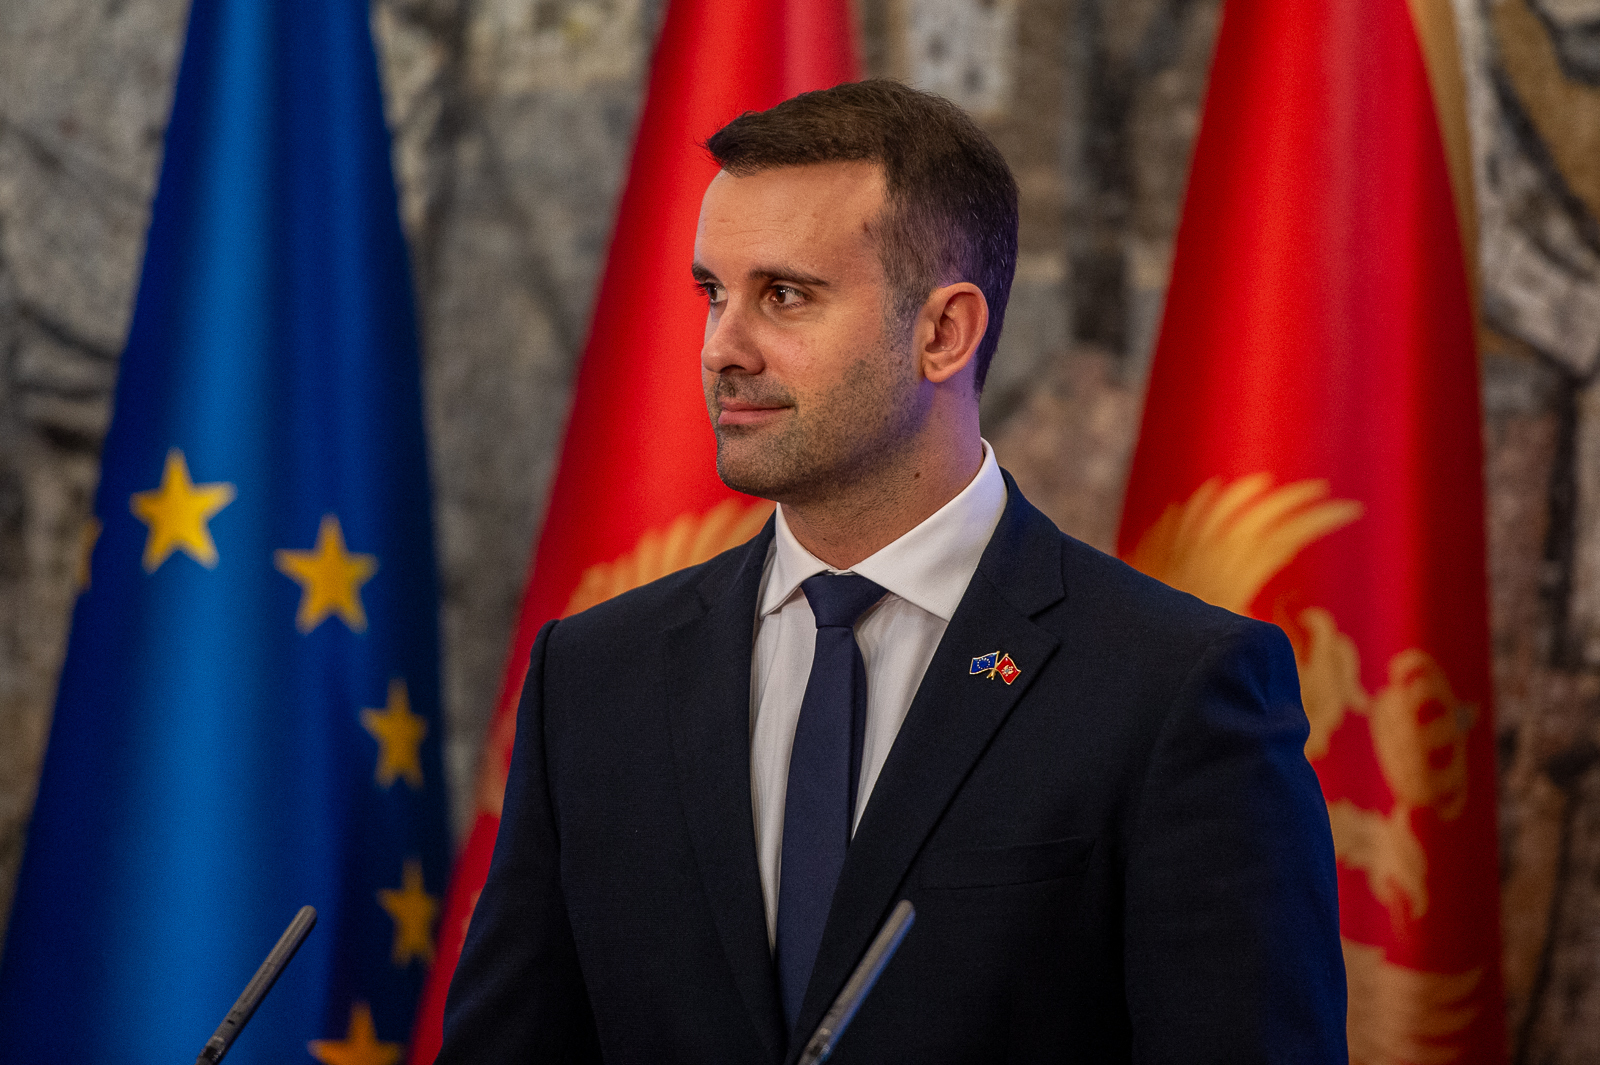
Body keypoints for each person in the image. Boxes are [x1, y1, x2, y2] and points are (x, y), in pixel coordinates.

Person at [439, 79, 1345, 1064]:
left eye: (783, 295)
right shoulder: (594, 676)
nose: (720, 348)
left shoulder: (1170, 687)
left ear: (943, 332)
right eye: (713, 292)